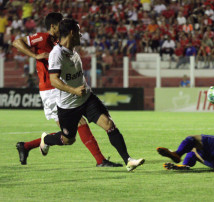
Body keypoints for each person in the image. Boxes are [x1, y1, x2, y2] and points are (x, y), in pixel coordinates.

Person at [13, 13, 121, 168]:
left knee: (70, 136)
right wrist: (35, 55)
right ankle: (100, 160)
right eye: (60, 24)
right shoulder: (42, 38)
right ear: (53, 26)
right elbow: (17, 42)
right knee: (77, 125)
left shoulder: (60, 43)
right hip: (50, 90)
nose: (63, 27)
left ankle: (27, 146)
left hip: (62, 88)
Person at [43, 18, 145, 172]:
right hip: (68, 106)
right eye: (78, 31)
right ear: (71, 32)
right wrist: (73, 90)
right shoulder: (56, 54)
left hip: (86, 99)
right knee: (68, 139)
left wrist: (80, 91)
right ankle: (46, 139)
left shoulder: (73, 52)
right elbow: (54, 80)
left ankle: (128, 160)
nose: (81, 34)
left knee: (109, 125)